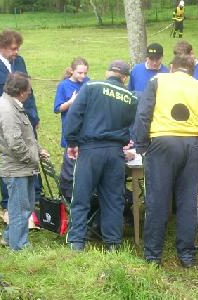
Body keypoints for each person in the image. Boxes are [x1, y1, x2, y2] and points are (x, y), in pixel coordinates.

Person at [134, 54, 198, 267]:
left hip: (162, 142)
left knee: (157, 201)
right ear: (191, 70)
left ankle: (153, 256)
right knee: (187, 202)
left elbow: (143, 115)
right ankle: (187, 255)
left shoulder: (157, 81)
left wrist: (142, 146)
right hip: (190, 145)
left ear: (171, 67)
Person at [65, 60, 138, 251]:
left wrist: (72, 142)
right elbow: (134, 124)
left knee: (81, 195)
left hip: (90, 149)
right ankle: (112, 243)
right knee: (114, 199)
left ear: (107, 73)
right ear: (124, 78)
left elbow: (74, 114)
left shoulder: (91, 87)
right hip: (115, 153)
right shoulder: (131, 97)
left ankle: (76, 241)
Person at [0, 30, 41, 223]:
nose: (16, 52)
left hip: (26, 119)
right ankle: (8, 203)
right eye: (13, 48)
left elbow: (28, 90)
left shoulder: (20, 61)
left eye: (18, 48)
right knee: (12, 158)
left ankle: (34, 198)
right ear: (2, 46)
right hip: (8, 121)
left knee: (31, 153)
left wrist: (35, 115)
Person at [0, 72, 49, 250]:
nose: (30, 92)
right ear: (22, 92)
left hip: (21, 167)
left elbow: (26, 136)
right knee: (20, 208)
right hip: (17, 168)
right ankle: (19, 246)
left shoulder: (12, 105)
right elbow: (15, 143)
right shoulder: (8, 110)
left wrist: (38, 150)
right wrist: (33, 157)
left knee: (22, 205)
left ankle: (10, 237)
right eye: (30, 90)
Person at [53, 57, 89, 199]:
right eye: (80, 73)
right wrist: (71, 102)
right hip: (71, 132)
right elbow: (57, 108)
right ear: (72, 71)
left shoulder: (88, 83)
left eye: (85, 73)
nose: (83, 76)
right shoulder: (64, 86)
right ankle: (67, 195)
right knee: (69, 168)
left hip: (86, 132)